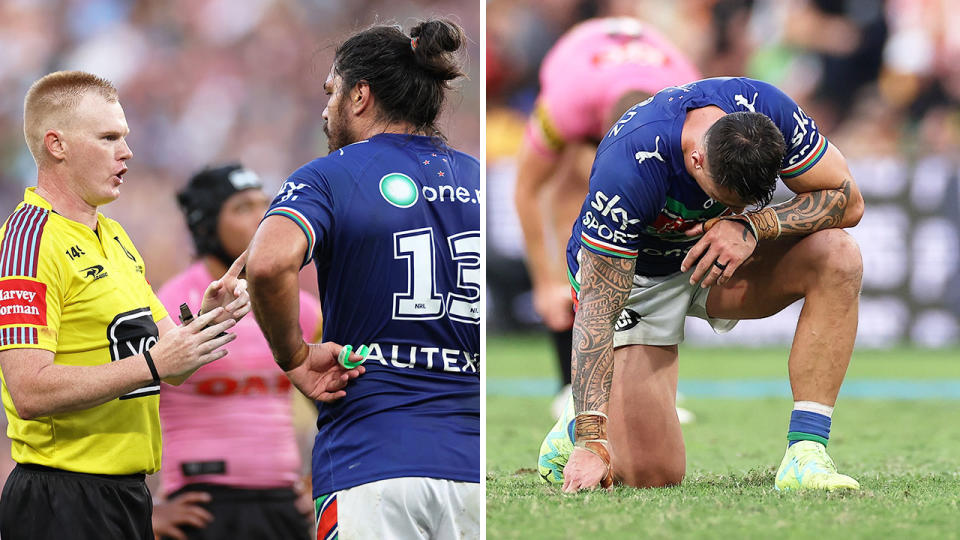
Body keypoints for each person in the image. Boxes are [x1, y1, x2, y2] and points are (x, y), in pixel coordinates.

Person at [537, 76, 865, 492]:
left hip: (725, 257)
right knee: (652, 476)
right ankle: (575, 424)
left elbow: (849, 199)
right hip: (639, 280)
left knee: (839, 255)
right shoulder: (629, 166)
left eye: (747, 201)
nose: (734, 207)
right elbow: (597, 313)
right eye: (727, 198)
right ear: (696, 161)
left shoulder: (768, 110)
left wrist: (753, 223)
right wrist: (591, 440)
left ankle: (806, 453)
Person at [246, 19, 481, 539]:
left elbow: (268, 264)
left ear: (359, 95)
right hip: (473, 470)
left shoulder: (328, 176)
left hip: (369, 463)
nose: (324, 109)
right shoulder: (478, 178)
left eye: (330, 92)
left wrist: (295, 357)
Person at [0, 71, 248, 539]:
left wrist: (210, 318)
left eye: (126, 137)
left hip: (125, 495)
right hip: (61, 499)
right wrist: (154, 363)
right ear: (57, 145)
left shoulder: (114, 235)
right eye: (109, 137)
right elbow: (27, 390)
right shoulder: (28, 241)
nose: (126, 151)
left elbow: (172, 366)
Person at [512, 17, 700, 418]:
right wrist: (545, 283)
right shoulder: (566, 106)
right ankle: (569, 383)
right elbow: (527, 189)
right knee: (578, 216)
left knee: (656, 224)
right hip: (579, 60)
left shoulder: (689, 103)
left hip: (645, 73)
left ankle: (651, 380)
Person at [150, 164, 320, 540]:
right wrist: (144, 510)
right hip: (199, 509)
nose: (263, 219)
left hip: (283, 506)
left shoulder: (302, 309)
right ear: (206, 225)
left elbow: (335, 400)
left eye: (266, 204)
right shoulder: (168, 304)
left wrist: (323, 477)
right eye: (243, 208)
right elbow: (121, 409)